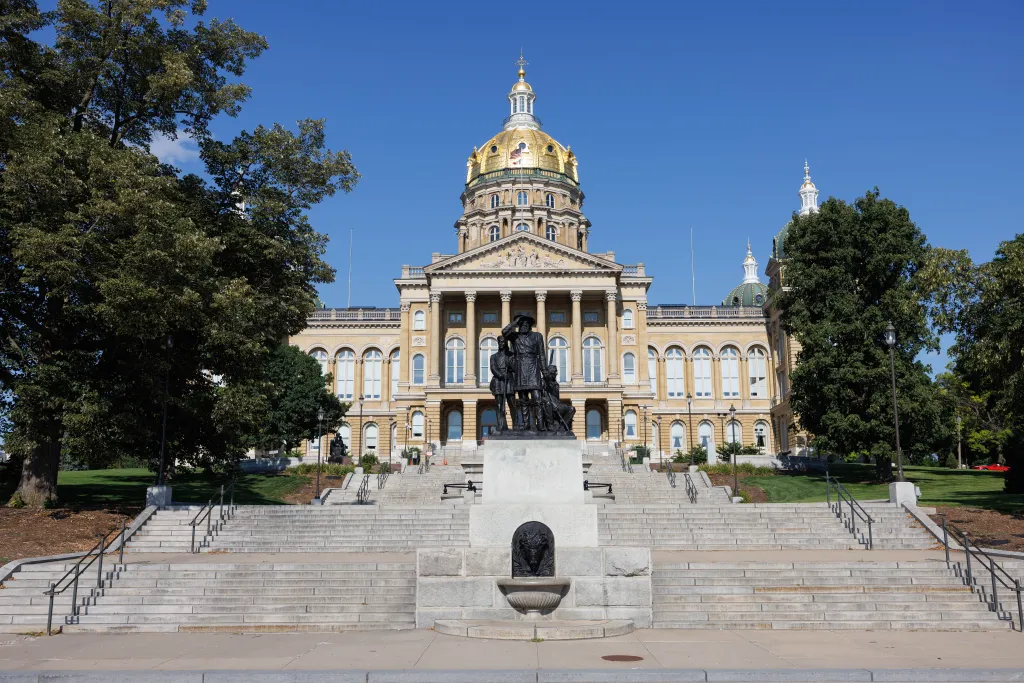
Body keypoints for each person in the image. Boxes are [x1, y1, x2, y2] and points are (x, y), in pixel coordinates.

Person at [501, 314, 547, 431]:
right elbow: (504, 332)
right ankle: (526, 424)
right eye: (521, 324)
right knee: (523, 399)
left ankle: (540, 424)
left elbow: (541, 354)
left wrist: (544, 370)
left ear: (530, 326)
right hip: (520, 367)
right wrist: (514, 323)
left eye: (526, 324)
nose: (523, 326)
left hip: (533, 366)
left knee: (537, 398)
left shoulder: (537, 336)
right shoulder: (515, 337)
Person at [489, 334, 517, 432]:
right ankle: (501, 425)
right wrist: (501, 375)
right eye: (500, 342)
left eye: (503, 342)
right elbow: (493, 368)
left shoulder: (511, 355)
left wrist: (510, 364)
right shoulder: (493, 356)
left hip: (509, 381)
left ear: (506, 343)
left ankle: (516, 425)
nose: (501, 343)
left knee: (512, 404)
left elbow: (515, 368)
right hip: (498, 381)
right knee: (500, 406)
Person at [541, 364, 575, 433]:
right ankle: (550, 425)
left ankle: (562, 428)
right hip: (547, 405)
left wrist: (557, 404)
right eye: (554, 372)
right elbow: (540, 397)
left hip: (557, 406)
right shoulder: (542, 382)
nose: (556, 374)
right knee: (548, 404)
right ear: (550, 373)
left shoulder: (556, 384)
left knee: (571, 409)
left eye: (556, 372)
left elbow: (557, 398)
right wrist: (551, 403)